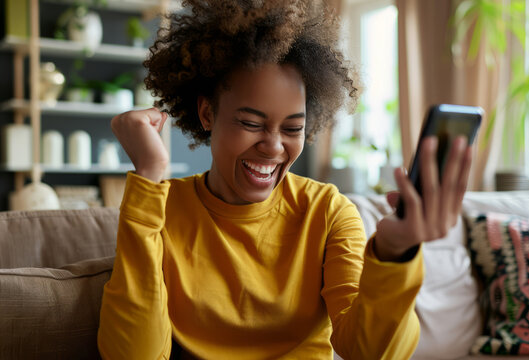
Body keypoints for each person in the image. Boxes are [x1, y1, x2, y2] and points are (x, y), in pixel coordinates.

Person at [97, 0, 473, 359]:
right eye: (250, 123)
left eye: (293, 128)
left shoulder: (326, 211)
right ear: (207, 113)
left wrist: (394, 255)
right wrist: (147, 175)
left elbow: (371, 352)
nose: (273, 147)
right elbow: (133, 354)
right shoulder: (160, 208)